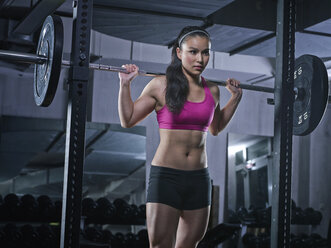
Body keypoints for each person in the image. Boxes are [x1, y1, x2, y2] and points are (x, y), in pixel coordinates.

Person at [118, 26, 242, 248]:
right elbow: (128, 120)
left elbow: (216, 127)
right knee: (160, 245)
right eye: (193, 52)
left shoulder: (213, 91)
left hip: (199, 179)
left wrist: (235, 98)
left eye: (205, 52)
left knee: (189, 245)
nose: (200, 59)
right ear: (178, 53)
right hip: (167, 177)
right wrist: (125, 84)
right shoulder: (160, 84)